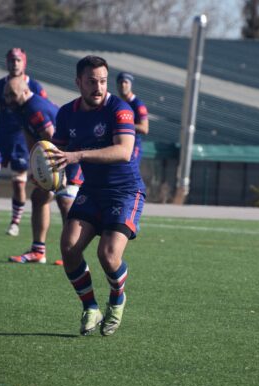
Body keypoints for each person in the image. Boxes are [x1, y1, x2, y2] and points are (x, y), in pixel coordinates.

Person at [49, 56, 145, 336]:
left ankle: (117, 297)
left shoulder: (120, 109)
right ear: (78, 82)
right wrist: (46, 172)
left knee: (108, 255)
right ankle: (90, 307)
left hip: (125, 192)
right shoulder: (67, 113)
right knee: (69, 247)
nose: (99, 87)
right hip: (91, 191)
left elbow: (124, 151)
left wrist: (76, 155)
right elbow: (56, 152)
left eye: (103, 81)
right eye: (92, 81)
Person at [3, 76, 83, 265]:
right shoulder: (20, 108)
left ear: (24, 91)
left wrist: (56, 172)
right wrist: (35, 169)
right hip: (56, 158)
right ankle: (38, 252)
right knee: (39, 198)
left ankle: (73, 254)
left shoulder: (34, 108)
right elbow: (33, 140)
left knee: (65, 201)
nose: (8, 99)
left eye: (11, 95)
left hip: (69, 157)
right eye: (5, 95)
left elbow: (51, 140)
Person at [0, 48, 48, 237]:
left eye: (18, 60)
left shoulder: (36, 87)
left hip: (23, 140)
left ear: (24, 63)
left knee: (18, 184)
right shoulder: (0, 85)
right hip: (1, 138)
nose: (15, 64)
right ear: (6, 62)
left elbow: (44, 111)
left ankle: (15, 222)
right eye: (11, 60)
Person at [116, 72, 149, 167]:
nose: (123, 85)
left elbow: (144, 128)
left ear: (130, 84)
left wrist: (123, 125)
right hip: (119, 146)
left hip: (134, 147)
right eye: (120, 82)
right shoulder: (117, 104)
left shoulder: (138, 105)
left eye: (126, 82)